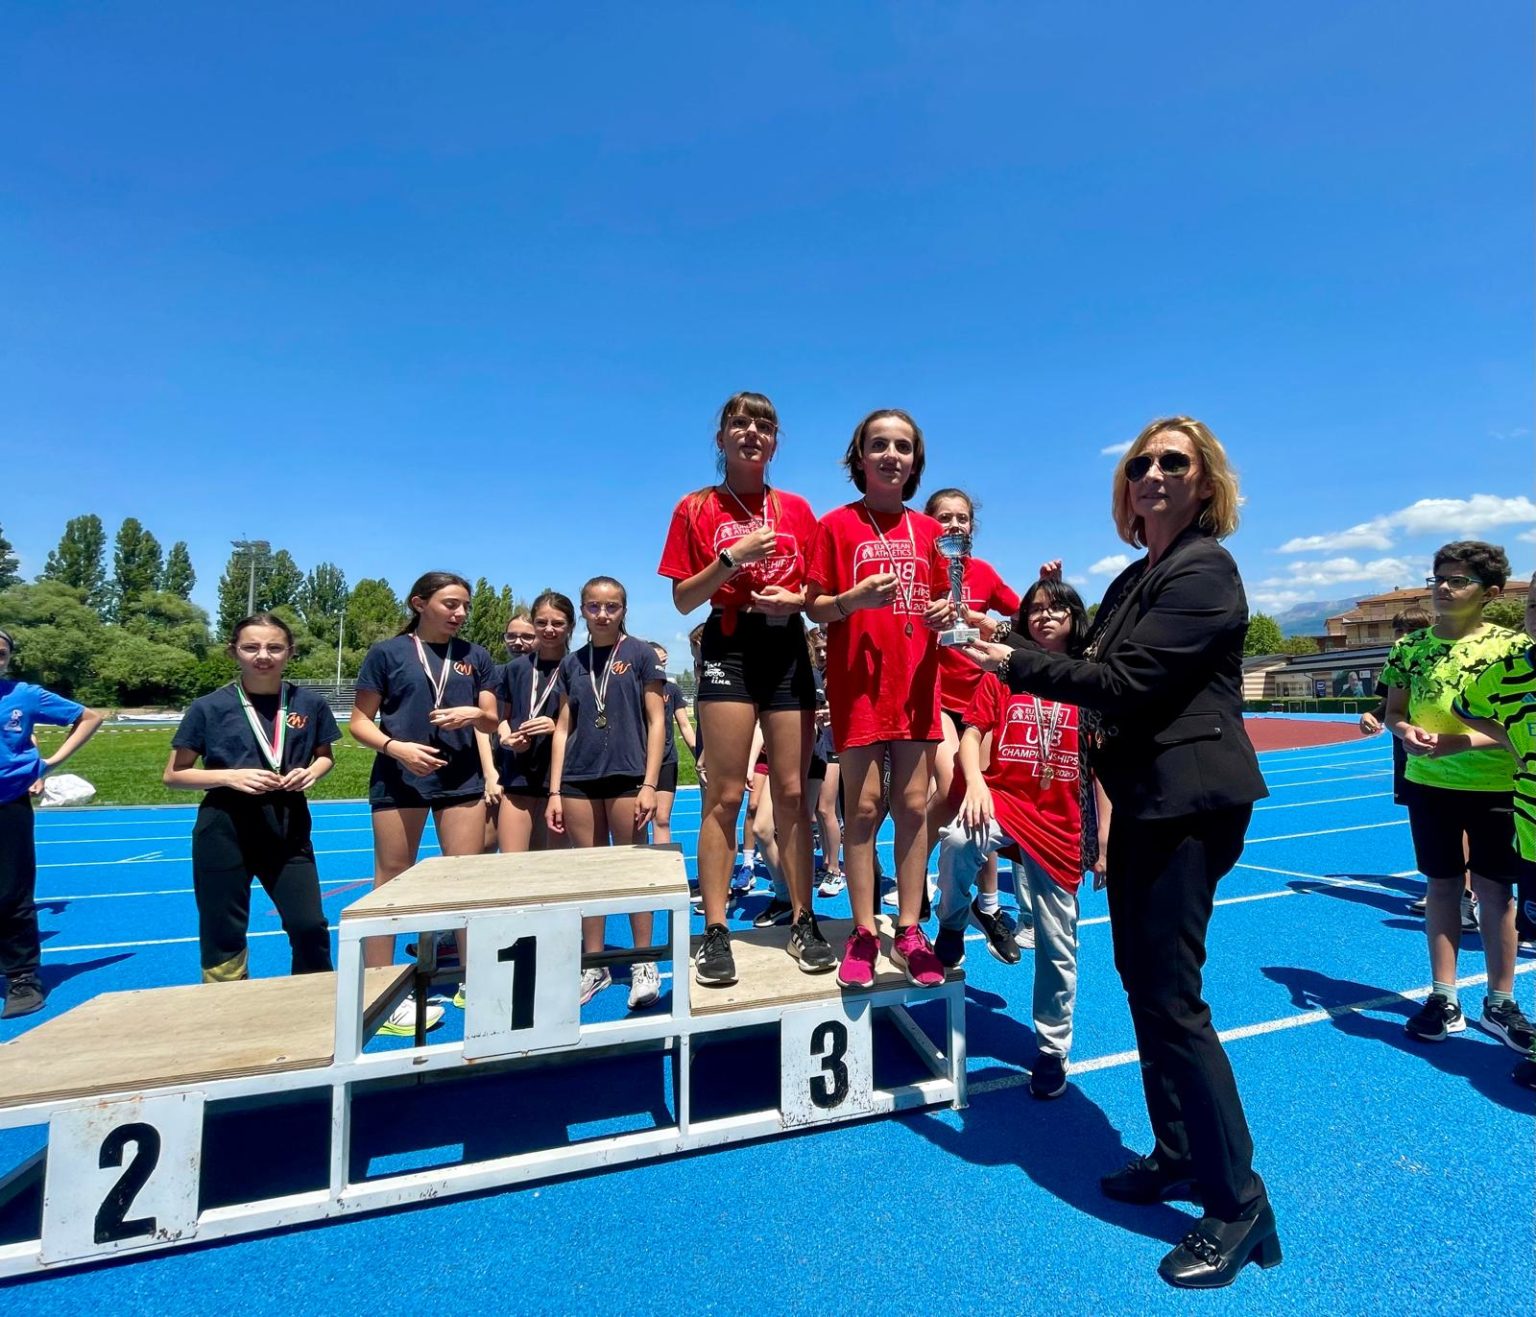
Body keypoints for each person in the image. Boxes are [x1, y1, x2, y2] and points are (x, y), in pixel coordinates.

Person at [963, 416, 1276, 1289]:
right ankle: (1177, 1152)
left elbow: (1124, 684)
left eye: (1174, 461)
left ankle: (1238, 1203)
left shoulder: (1205, 569)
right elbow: (1090, 667)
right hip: (1144, 800)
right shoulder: (1136, 576)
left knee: (1173, 996)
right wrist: (1007, 635)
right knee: (1144, 985)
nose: (1152, 472)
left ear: (1205, 482)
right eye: (1141, 462)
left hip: (1189, 801)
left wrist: (1010, 658)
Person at [658, 391, 834, 985]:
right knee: (725, 795)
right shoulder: (695, 507)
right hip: (728, 646)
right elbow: (683, 599)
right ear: (721, 438)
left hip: (785, 647)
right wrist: (731, 559)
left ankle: (803, 919)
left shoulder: (798, 509)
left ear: (775, 443)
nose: (752, 432)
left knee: (792, 793)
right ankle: (715, 930)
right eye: (740, 423)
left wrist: (798, 599)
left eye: (764, 425)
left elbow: (818, 594)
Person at [806, 408, 954, 990]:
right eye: (879, 445)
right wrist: (853, 599)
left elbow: (947, 605)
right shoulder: (835, 525)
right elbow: (813, 605)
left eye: (903, 447)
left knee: (913, 807)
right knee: (863, 808)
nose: (892, 455)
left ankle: (910, 929)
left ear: (915, 463)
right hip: (858, 687)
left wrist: (945, 612)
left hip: (915, 685)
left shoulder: (932, 533)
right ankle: (865, 931)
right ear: (860, 457)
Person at [1380, 541, 1531, 1051]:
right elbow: (1395, 711)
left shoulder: (1514, 650)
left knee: (1497, 893)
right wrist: (1404, 732)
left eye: (1458, 580)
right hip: (1430, 786)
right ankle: (1443, 996)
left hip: (1497, 787)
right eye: (1438, 578)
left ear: (1490, 593)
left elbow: (1520, 726)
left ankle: (1500, 1001)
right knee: (1442, 887)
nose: (1443, 588)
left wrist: (1460, 742)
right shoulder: (1409, 649)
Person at [350, 572, 498, 1034]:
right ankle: (382, 989)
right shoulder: (388, 653)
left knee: (464, 880)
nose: (460, 613)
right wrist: (397, 748)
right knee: (391, 881)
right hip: (401, 778)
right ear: (419, 603)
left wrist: (477, 714)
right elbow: (359, 722)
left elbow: (492, 720)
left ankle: (473, 978)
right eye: (450, 604)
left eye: (465, 606)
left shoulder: (475, 656)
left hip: (461, 778)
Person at [165, 613, 338, 983]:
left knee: (309, 925)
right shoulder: (208, 707)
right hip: (224, 828)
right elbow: (174, 774)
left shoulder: (309, 703)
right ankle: (227, 1007)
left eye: (274, 647)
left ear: (290, 652)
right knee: (222, 931)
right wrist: (229, 776)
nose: (263, 655)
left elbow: (325, 756)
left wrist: (312, 772)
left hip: (288, 826)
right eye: (251, 647)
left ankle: (314, 1002)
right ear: (234, 652)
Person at [545, 577, 666, 1010]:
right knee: (589, 874)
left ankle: (643, 960)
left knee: (632, 871)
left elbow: (657, 720)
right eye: (594, 607)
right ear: (583, 610)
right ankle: (594, 964)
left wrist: (650, 783)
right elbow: (563, 727)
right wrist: (555, 790)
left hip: (627, 775)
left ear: (623, 610)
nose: (602, 614)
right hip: (578, 779)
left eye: (611, 606)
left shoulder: (640, 654)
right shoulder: (572, 663)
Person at [922, 488, 1022, 959]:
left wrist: (991, 626)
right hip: (938, 699)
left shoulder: (982, 573)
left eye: (962, 518)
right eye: (945, 517)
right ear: (929, 525)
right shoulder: (922, 572)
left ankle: (987, 905)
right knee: (953, 790)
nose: (954, 525)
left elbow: (1022, 616)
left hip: (981, 700)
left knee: (982, 801)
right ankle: (916, 878)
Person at [1453, 579, 1536, 1089]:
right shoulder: (1505, 674)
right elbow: (1467, 707)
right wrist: (1512, 742)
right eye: (1534, 606)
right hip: (1532, 829)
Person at [0, 627, 104, 1017]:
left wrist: (49, 763)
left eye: (1, 653)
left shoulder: (23, 695)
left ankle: (22, 977)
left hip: (7, 803)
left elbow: (89, 717)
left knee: (11, 894)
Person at [494, 591, 574, 854]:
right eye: (541, 622)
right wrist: (507, 739)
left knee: (553, 866)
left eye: (557, 623)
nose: (549, 629)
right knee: (513, 862)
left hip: (564, 780)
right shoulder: (515, 669)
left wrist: (556, 725)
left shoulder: (580, 667)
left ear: (571, 626)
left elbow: (590, 721)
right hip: (518, 775)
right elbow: (502, 719)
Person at [648, 642, 697, 847]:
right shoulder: (634, 687)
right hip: (637, 761)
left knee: (662, 819)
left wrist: (699, 756)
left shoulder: (672, 689)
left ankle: (661, 862)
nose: (662, 665)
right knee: (637, 820)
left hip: (666, 759)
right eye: (658, 660)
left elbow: (684, 725)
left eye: (664, 661)